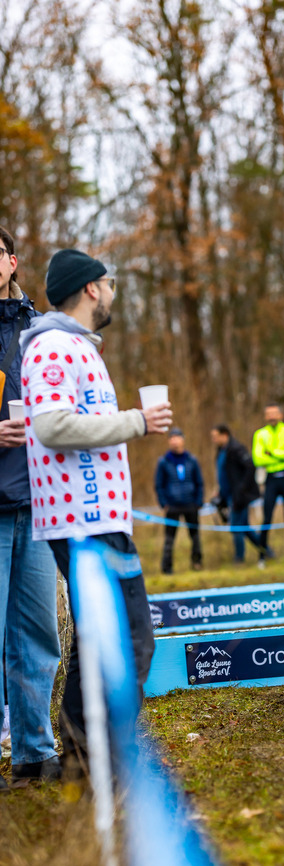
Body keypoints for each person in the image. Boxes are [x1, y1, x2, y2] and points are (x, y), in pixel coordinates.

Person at [20, 247, 173, 769]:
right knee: (131, 639)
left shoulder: (76, 346)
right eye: (108, 284)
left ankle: (85, 758)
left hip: (98, 516)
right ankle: (102, 756)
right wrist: (137, 421)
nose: (110, 294)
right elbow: (52, 425)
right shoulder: (53, 346)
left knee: (101, 640)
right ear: (91, 288)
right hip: (82, 520)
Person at [0, 226, 61, 788]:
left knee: (38, 635)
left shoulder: (40, 328)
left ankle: (34, 754)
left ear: (12, 260)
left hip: (38, 502)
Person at [252, 404, 284, 567]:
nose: (271, 417)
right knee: (266, 518)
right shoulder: (260, 434)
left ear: (281, 415)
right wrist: (283, 454)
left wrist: (272, 453)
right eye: (268, 414)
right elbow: (258, 459)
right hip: (270, 479)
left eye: (274, 414)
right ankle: (262, 556)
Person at [154, 427, 204, 574]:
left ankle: (197, 563)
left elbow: (199, 482)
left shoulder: (192, 460)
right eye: (172, 438)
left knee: (195, 536)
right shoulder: (163, 462)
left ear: (183, 440)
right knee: (169, 539)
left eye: (177, 438)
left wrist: (198, 501)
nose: (175, 441)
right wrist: (164, 503)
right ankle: (167, 567)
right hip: (172, 506)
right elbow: (159, 485)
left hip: (190, 504)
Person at [211, 423, 262, 563]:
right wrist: (219, 491)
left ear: (224, 435)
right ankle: (266, 550)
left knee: (236, 527)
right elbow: (225, 474)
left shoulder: (236, 449)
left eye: (215, 436)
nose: (213, 439)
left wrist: (242, 489)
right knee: (244, 527)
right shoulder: (221, 451)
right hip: (227, 495)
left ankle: (239, 559)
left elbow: (250, 467)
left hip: (238, 496)